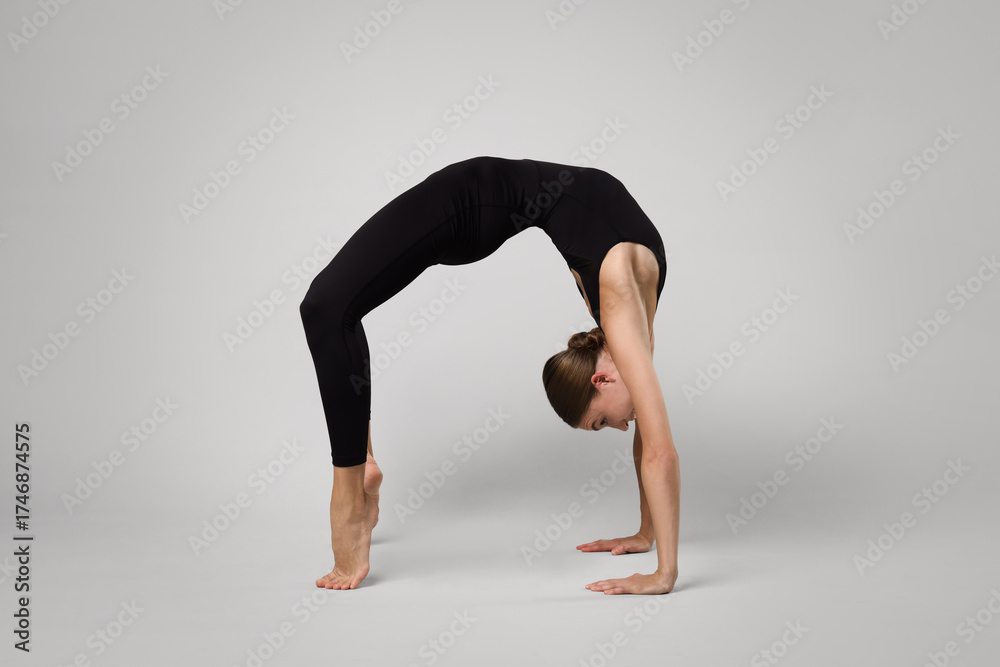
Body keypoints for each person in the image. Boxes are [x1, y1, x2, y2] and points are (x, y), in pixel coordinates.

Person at [299, 156, 680, 594]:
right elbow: (660, 453)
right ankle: (349, 503)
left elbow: (649, 442)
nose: (621, 425)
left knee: (333, 310)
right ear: (602, 380)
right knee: (325, 310)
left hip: (488, 205)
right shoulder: (619, 304)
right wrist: (663, 575)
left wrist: (646, 534)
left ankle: (362, 465)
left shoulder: (632, 325)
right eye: (602, 422)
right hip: (469, 200)